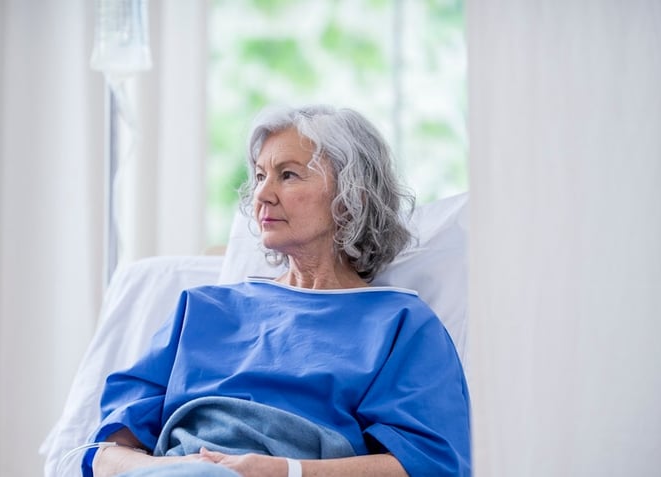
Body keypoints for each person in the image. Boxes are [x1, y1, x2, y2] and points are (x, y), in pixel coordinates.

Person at [84, 105, 470, 477]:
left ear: (352, 200)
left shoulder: (400, 324)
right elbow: (105, 456)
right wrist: (178, 470)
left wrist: (285, 471)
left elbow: (429, 464)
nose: (263, 195)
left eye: (287, 175)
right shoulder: (201, 309)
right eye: (259, 176)